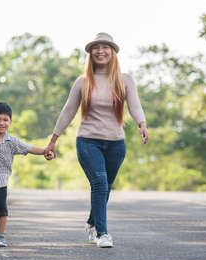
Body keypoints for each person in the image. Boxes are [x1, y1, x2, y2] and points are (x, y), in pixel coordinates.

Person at [44, 32, 149, 248]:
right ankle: (103, 234)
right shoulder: (83, 82)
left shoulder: (125, 80)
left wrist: (142, 124)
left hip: (116, 143)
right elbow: (68, 111)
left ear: (113, 52)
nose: (101, 51)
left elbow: (134, 105)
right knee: (100, 183)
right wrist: (53, 139)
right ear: (91, 53)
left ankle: (92, 223)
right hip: (88, 141)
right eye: (96, 47)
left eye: (105, 47)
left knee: (106, 187)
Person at [0, 102, 53, 247]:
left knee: (1, 209)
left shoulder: (11, 141)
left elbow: (29, 148)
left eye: (5, 120)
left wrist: (45, 151)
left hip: (1, 181)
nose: (2, 123)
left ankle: (0, 236)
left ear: (10, 122)